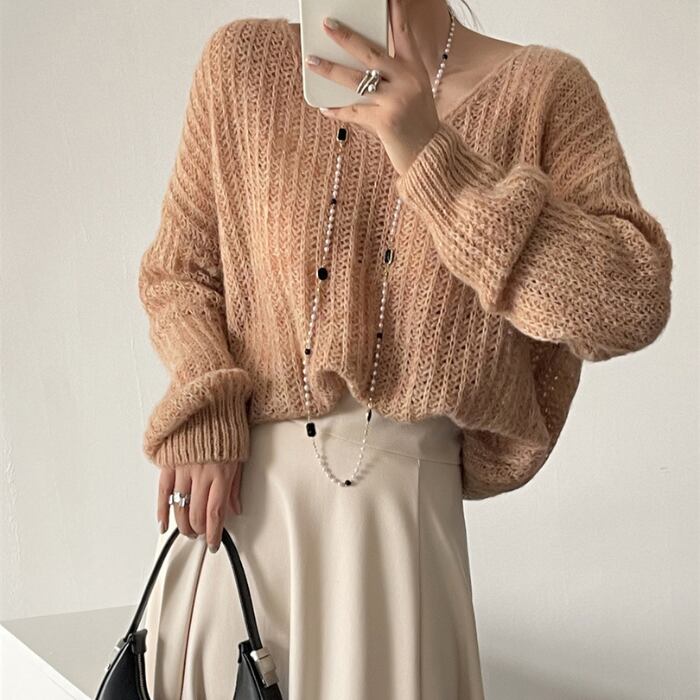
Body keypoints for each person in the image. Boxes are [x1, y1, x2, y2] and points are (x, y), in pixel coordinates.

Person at [137, 0, 673, 698]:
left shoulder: (544, 91)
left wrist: (431, 157)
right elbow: (179, 273)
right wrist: (204, 398)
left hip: (399, 534)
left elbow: (629, 302)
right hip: (238, 517)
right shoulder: (242, 66)